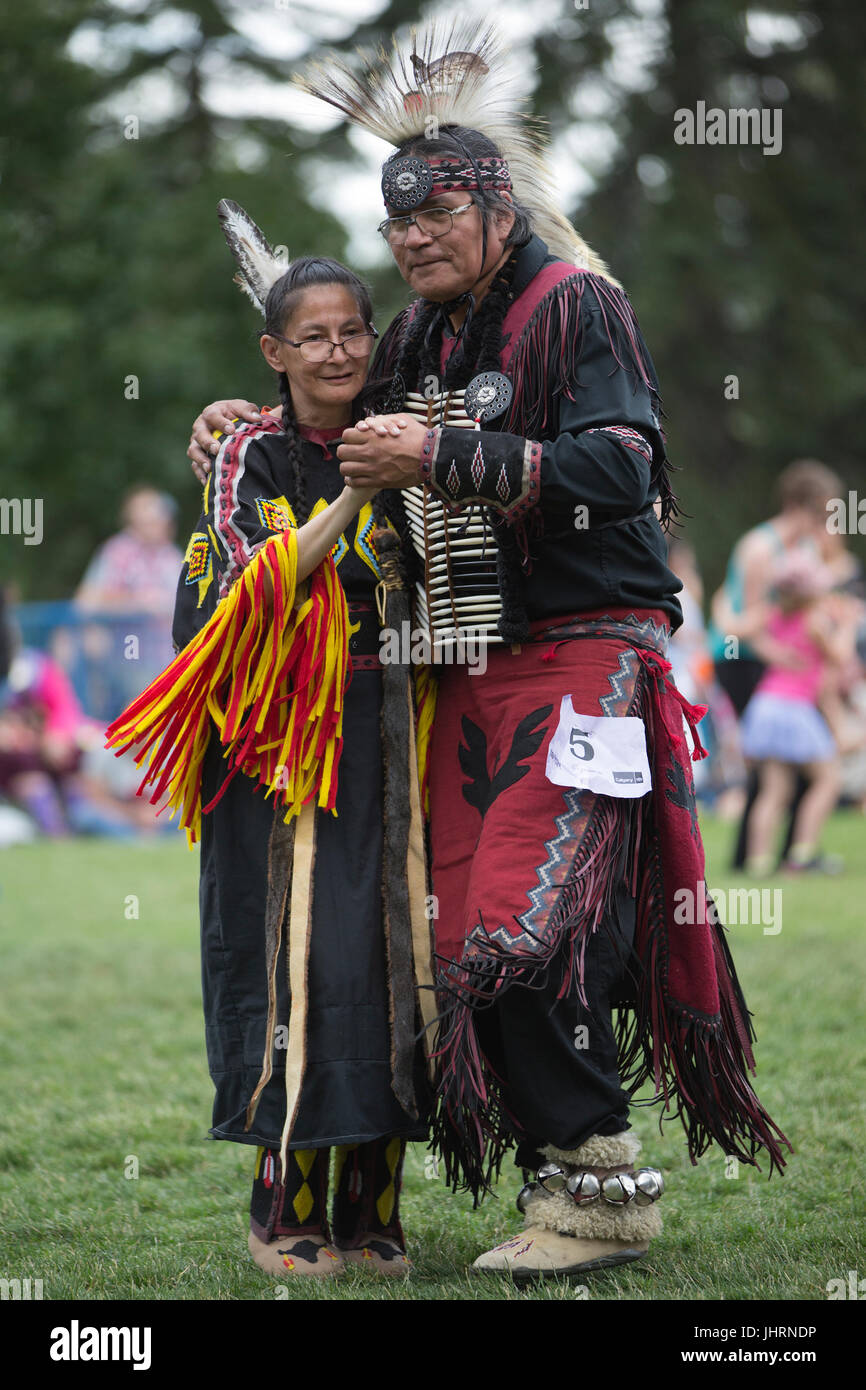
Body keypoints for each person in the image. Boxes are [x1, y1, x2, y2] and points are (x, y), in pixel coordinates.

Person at [187, 22, 790, 1281]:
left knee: (524, 921)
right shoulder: (419, 336)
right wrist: (243, 415)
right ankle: (560, 1175)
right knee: (457, 932)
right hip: (467, 660)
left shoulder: (575, 304)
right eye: (397, 223)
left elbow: (623, 470)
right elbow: (337, 408)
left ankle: (599, 1194)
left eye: (439, 215)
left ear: (495, 204)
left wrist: (455, 456)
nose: (413, 239)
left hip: (588, 650)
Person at [108, 238, 435, 1279]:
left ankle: (372, 1198)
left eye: (351, 330)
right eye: (312, 336)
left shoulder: (417, 430)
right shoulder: (246, 453)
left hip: (391, 731)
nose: (337, 351)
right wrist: (355, 492)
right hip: (275, 744)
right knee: (297, 957)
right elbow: (257, 585)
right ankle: (281, 1197)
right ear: (274, 350)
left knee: (390, 955)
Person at [740, 551, 857, 874]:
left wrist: (771, 651)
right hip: (794, 709)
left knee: (775, 790)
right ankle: (802, 855)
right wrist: (847, 624)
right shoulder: (814, 621)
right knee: (828, 779)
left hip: (765, 706)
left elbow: (743, 631)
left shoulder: (774, 615)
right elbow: (839, 657)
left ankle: (758, 862)